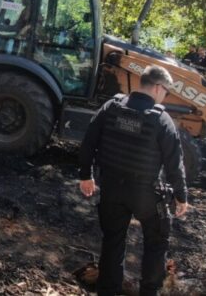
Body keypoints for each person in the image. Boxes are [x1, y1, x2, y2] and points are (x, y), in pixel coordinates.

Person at [78, 65, 189, 296]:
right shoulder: (162, 120)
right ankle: (149, 292)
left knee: (112, 241)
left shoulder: (112, 107)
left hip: (111, 189)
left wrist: (85, 176)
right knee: (156, 244)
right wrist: (181, 197)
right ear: (158, 88)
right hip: (145, 195)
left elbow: (89, 141)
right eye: (166, 91)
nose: (165, 96)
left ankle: (107, 291)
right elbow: (174, 165)